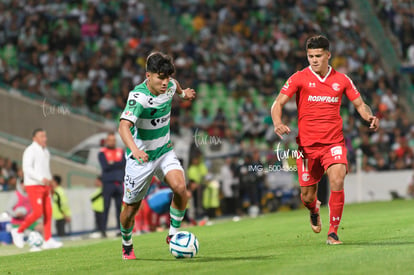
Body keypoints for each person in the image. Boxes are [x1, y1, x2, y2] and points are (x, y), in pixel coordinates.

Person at [271, 35, 379, 245]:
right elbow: (277, 103)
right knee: (308, 196)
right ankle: (313, 209)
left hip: (333, 143)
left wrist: (369, 116)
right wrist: (277, 122)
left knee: (338, 179)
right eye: (310, 56)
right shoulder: (299, 78)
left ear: (328, 55)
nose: (314, 60)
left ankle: (333, 232)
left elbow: (360, 104)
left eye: (318, 56)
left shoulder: (342, 80)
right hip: (307, 148)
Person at [118, 52, 196, 259]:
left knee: (181, 189)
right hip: (140, 159)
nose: (165, 82)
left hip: (164, 151)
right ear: (148, 76)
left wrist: (182, 93)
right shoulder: (138, 97)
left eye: (167, 77)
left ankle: (173, 234)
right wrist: (135, 150)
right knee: (130, 209)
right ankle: (127, 243)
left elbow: (175, 85)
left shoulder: (170, 86)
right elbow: (123, 127)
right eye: (160, 77)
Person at [11, 128, 63, 249]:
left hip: (45, 185)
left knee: (48, 212)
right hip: (34, 185)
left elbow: (46, 169)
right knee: (38, 212)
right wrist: (41, 178)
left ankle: (47, 239)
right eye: (41, 136)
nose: (44, 138)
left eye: (45, 136)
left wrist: (49, 182)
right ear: (34, 138)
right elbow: (27, 168)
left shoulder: (46, 151)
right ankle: (18, 230)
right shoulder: (30, 150)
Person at [98, 132, 126, 237]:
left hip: (119, 182)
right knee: (106, 207)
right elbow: (105, 166)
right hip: (108, 183)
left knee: (119, 207)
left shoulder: (120, 151)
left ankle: (120, 229)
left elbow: (124, 163)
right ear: (106, 141)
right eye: (110, 140)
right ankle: (103, 230)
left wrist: (112, 163)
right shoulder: (102, 152)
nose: (112, 142)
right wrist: (117, 164)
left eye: (114, 140)